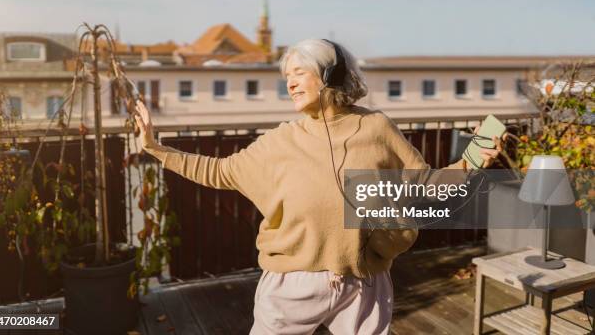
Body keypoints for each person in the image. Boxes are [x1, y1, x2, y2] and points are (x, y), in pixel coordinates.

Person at [134, 39, 504, 335]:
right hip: (292, 283)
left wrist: (473, 160)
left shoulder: (376, 127)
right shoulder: (280, 141)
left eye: (298, 73)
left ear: (330, 74)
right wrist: (155, 147)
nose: (290, 83)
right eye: (286, 77)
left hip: (363, 282)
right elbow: (218, 171)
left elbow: (424, 184)